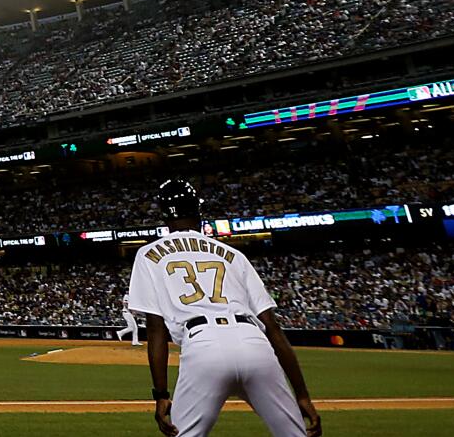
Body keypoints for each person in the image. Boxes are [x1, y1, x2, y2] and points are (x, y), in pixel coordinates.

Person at [128, 181, 321, 437]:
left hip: (203, 345)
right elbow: (273, 328)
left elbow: (156, 331)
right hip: (255, 343)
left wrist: (161, 395)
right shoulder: (232, 254)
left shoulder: (148, 254)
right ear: (199, 211)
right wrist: (303, 395)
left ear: (164, 215)